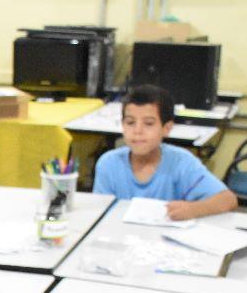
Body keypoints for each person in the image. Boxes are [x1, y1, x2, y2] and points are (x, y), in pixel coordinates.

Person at [93, 84, 238, 220]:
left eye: (149, 123)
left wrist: (193, 209)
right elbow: (99, 213)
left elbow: (228, 200)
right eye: (130, 122)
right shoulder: (108, 163)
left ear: (166, 128)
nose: (137, 131)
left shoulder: (181, 162)